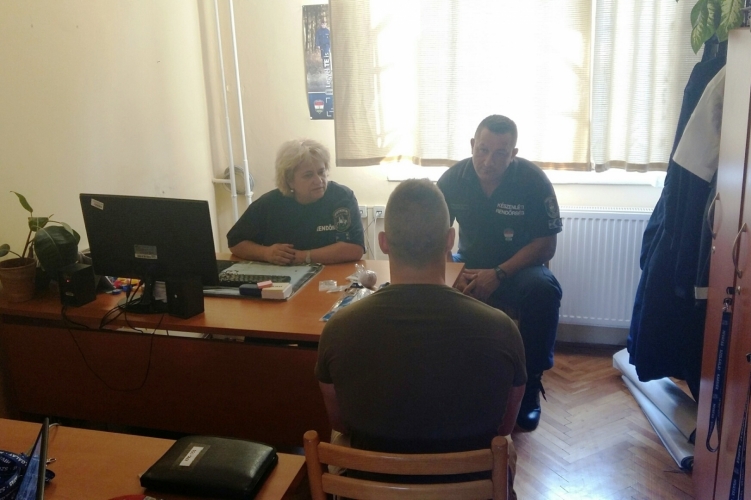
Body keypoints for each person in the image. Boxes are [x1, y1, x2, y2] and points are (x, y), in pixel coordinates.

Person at [315, 179, 526, 493]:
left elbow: (340, 422)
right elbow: (505, 425)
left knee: (339, 438)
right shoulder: (503, 329)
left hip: (372, 491)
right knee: (505, 444)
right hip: (467, 491)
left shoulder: (337, 328)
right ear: (450, 239)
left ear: (383, 242)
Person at [436, 115, 563, 432]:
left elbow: (546, 245)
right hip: (468, 265)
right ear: (472, 145)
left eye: (499, 154)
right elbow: (436, 236)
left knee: (545, 290)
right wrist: (453, 269)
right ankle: (449, 381)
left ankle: (530, 385)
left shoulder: (533, 181)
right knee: (432, 285)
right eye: (482, 150)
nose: (488, 161)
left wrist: (498, 274)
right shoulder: (452, 180)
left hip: (519, 269)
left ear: (513, 154)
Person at [227, 139, 364, 265]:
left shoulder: (342, 197)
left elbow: (355, 249)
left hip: (332, 275)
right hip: (284, 278)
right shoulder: (270, 204)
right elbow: (235, 242)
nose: (318, 180)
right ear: (290, 181)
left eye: (321, 172)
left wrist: (305, 257)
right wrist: (265, 253)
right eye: (308, 175)